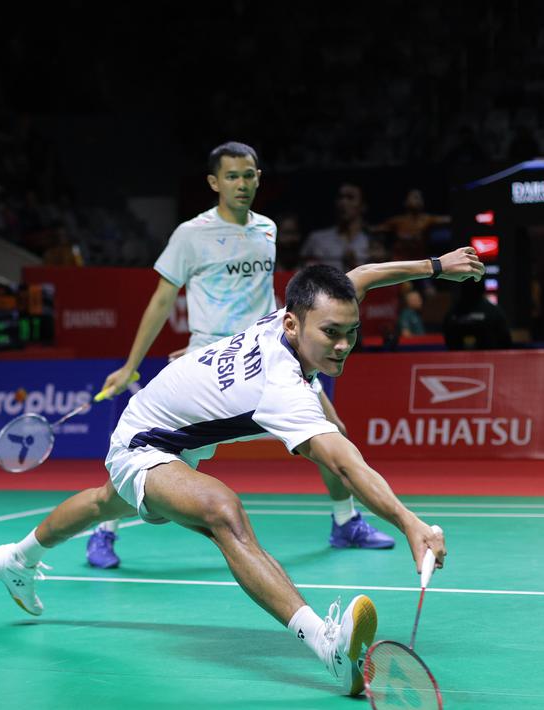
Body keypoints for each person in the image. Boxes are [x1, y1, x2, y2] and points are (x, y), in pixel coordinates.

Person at [0, 247, 482, 694]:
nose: (343, 344)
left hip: (169, 429)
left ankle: (15, 558)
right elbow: (345, 465)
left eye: (351, 332)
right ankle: (327, 645)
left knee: (103, 502)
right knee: (222, 511)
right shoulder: (283, 389)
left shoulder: (301, 312)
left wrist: (436, 267)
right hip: (144, 441)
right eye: (331, 333)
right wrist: (408, 521)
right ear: (293, 324)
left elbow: (363, 276)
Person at [86, 142, 392, 570]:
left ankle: (345, 522)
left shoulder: (266, 229)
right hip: (212, 363)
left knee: (332, 430)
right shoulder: (191, 234)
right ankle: (104, 529)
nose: (241, 184)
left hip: (269, 353)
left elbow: (259, 296)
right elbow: (162, 299)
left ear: (258, 178)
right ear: (214, 182)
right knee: (160, 448)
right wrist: (131, 365)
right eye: (232, 176)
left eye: (249, 175)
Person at [300, 183, 372, 271]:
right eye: (340, 197)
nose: (343, 202)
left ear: (363, 205)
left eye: (350, 198)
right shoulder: (316, 239)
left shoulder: (371, 241)